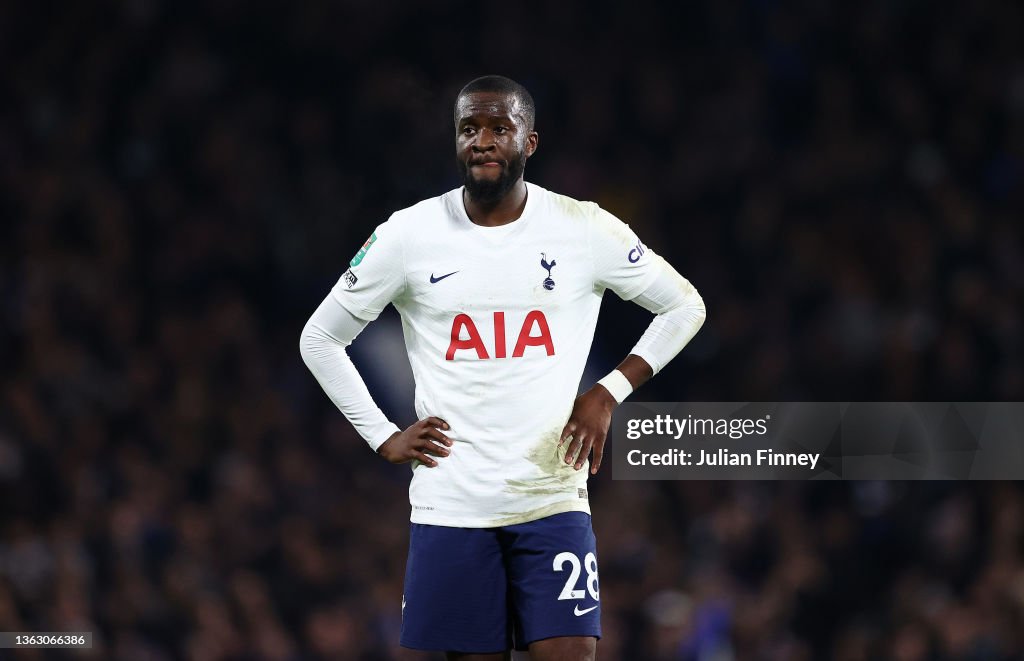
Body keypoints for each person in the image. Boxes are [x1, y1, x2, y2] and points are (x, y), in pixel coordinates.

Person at [300, 75, 706, 661]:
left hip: (553, 500)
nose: (483, 140)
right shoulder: (408, 234)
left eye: (498, 128)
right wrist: (382, 436)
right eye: (469, 129)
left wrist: (608, 392)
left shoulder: (582, 227)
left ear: (529, 142)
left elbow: (684, 304)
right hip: (453, 507)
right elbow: (320, 338)